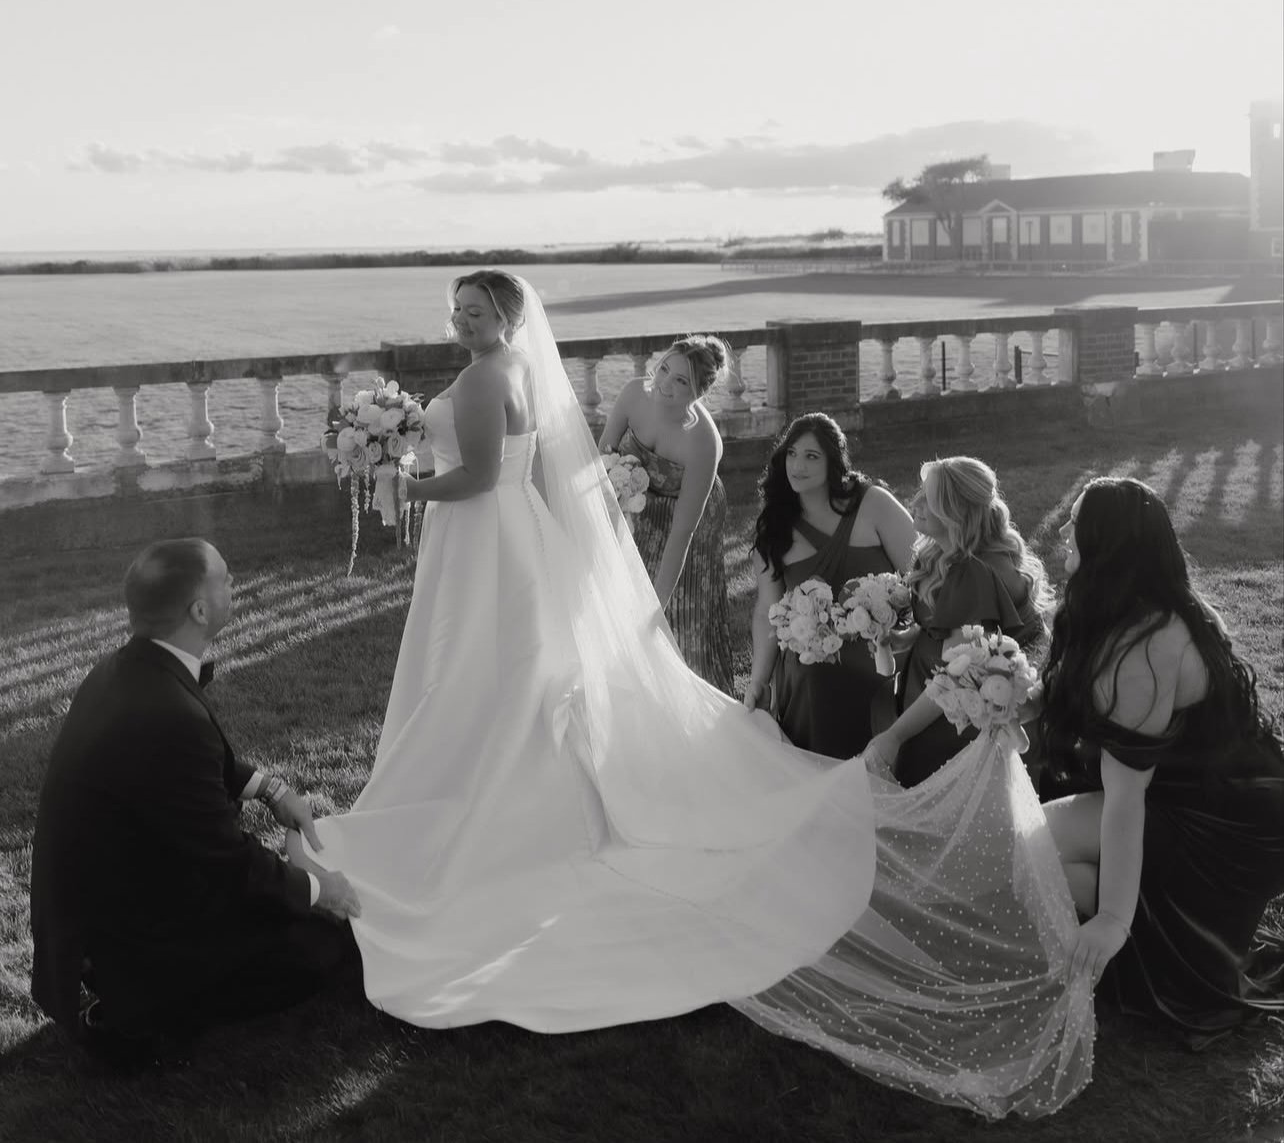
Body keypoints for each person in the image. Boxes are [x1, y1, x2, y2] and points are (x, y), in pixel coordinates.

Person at [293, 275, 1092, 1118]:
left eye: (478, 312)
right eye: (457, 309)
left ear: (510, 320)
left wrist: (405, 483)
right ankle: (489, 785)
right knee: (483, 673)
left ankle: (490, 808)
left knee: (480, 672)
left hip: (490, 535)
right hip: (501, 542)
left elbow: (490, 472)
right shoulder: (524, 375)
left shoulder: (501, 377)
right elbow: (564, 472)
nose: (463, 321)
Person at [29, 538, 360, 1067]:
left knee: (291, 919)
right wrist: (320, 889)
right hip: (123, 939)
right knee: (316, 948)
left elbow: (191, 773)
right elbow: (229, 860)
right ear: (199, 610)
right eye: (225, 579)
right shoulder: (168, 716)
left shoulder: (122, 669)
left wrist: (271, 789)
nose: (235, 585)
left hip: (110, 900)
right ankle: (134, 1014)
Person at [1040, 478, 1284, 1040]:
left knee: (1034, 846)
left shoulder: (1148, 642)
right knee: (1044, 849)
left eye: (1077, 520)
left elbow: (1125, 797)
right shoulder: (1130, 609)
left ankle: (1131, 932)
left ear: (1109, 541)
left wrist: (1111, 919)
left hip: (1229, 821)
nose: (1063, 529)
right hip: (1195, 791)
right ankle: (1143, 920)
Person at [865, 456, 1052, 787]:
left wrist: (895, 735)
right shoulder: (941, 553)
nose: (915, 503)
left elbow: (959, 674)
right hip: (929, 688)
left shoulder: (974, 571)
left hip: (956, 713)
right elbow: (945, 624)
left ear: (956, 511)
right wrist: (906, 638)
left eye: (929, 498)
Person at [743, 414, 917, 757]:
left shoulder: (873, 504)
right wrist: (758, 680)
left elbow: (922, 575)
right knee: (812, 679)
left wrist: (902, 631)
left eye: (812, 456)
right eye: (792, 454)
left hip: (879, 654)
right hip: (810, 665)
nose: (798, 465)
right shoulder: (776, 528)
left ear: (833, 461)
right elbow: (766, 610)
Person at [597, 334, 734, 691]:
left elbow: (682, 533)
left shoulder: (703, 441)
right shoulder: (633, 394)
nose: (664, 384)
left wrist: (654, 610)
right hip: (639, 506)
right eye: (664, 369)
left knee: (679, 616)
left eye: (681, 381)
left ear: (698, 393)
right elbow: (601, 463)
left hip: (688, 520)